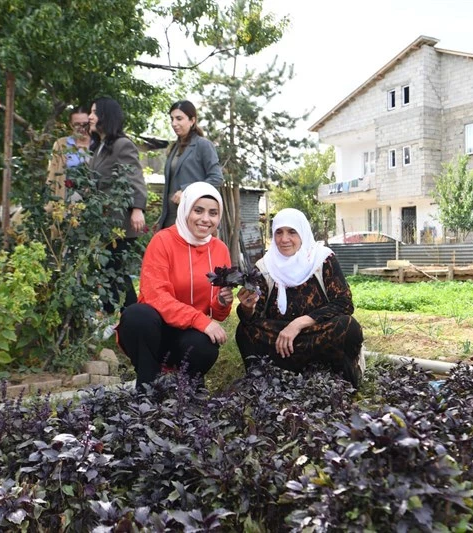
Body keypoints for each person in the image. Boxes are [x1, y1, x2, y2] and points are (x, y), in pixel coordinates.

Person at [117, 182, 235, 388]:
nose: (206, 219)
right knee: (137, 315)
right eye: (198, 210)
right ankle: (147, 386)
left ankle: (188, 388)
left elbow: (217, 314)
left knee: (205, 346)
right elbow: (155, 296)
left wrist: (222, 302)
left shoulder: (220, 250)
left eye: (213, 213)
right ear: (186, 209)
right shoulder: (162, 241)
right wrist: (200, 320)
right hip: (155, 330)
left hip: (188, 334)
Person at [235, 208, 364, 387]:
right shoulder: (265, 267)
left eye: (292, 232)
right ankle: (262, 382)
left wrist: (298, 324)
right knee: (245, 330)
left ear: (303, 233)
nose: (284, 239)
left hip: (316, 337)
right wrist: (248, 308)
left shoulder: (322, 259)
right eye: (278, 232)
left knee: (348, 327)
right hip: (282, 342)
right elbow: (254, 319)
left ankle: (340, 380)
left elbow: (344, 303)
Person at [88, 97, 147, 313]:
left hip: (119, 223)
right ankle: (114, 314)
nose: (90, 116)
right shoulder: (100, 147)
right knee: (108, 270)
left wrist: (137, 209)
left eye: (94, 112)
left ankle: (127, 314)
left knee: (116, 272)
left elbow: (135, 178)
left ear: (106, 115)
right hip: (104, 223)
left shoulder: (122, 144)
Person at [158, 100, 223, 229]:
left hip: (194, 221)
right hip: (172, 219)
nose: (174, 123)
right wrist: (162, 220)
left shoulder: (203, 145)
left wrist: (187, 191)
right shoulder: (173, 148)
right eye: (172, 119)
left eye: (179, 119)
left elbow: (217, 178)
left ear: (192, 120)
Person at [46, 105, 91, 205]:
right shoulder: (61, 144)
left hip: (92, 200)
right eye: (77, 124)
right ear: (71, 124)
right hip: (65, 198)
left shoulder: (98, 144)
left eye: (85, 124)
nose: (82, 128)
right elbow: (51, 174)